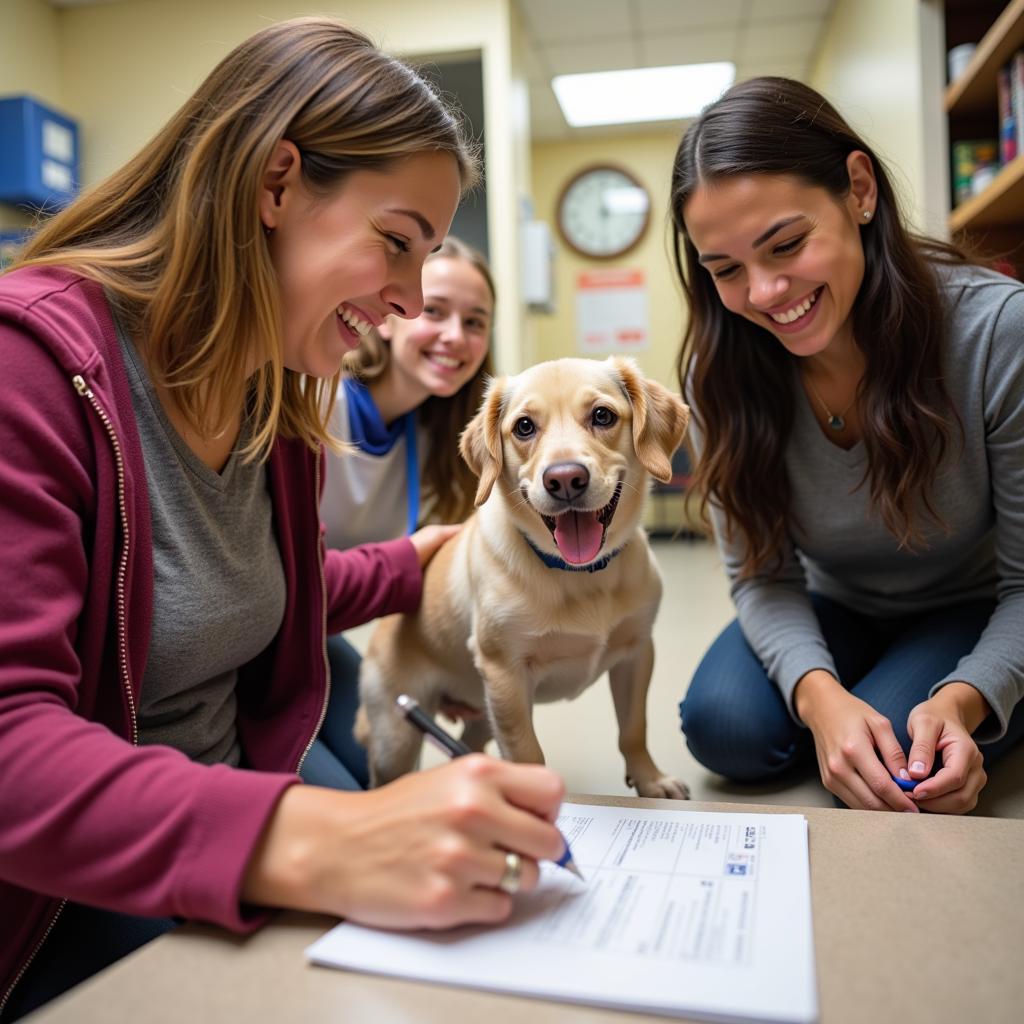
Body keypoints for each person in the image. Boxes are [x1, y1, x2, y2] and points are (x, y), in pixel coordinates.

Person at [0, 19, 566, 1020]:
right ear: (274, 184)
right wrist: (316, 840)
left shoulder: (273, 391)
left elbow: (242, 589)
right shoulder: (32, 369)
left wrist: (410, 563)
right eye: (396, 243)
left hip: (231, 791)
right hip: (73, 883)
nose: (404, 301)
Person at [670, 77, 1024, 815]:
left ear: (859, 190)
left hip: (974, 605)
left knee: (899, 756)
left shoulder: (997, 332)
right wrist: (820, 697)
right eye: (726, 269)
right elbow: (762, 576)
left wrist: (966, 699)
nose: (765, 293)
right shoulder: (719, 372)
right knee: (725, 731)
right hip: (839, 602)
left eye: (787, 244)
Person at [303, 237, 494, 790]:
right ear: (389, 314)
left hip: (310, 636)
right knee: (347, 806)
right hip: (246, 642)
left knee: (380, 772)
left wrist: (446, 667)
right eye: (435, 311)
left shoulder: (433, 440)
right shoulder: (317, 403)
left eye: (476, 322)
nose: (456, 337)